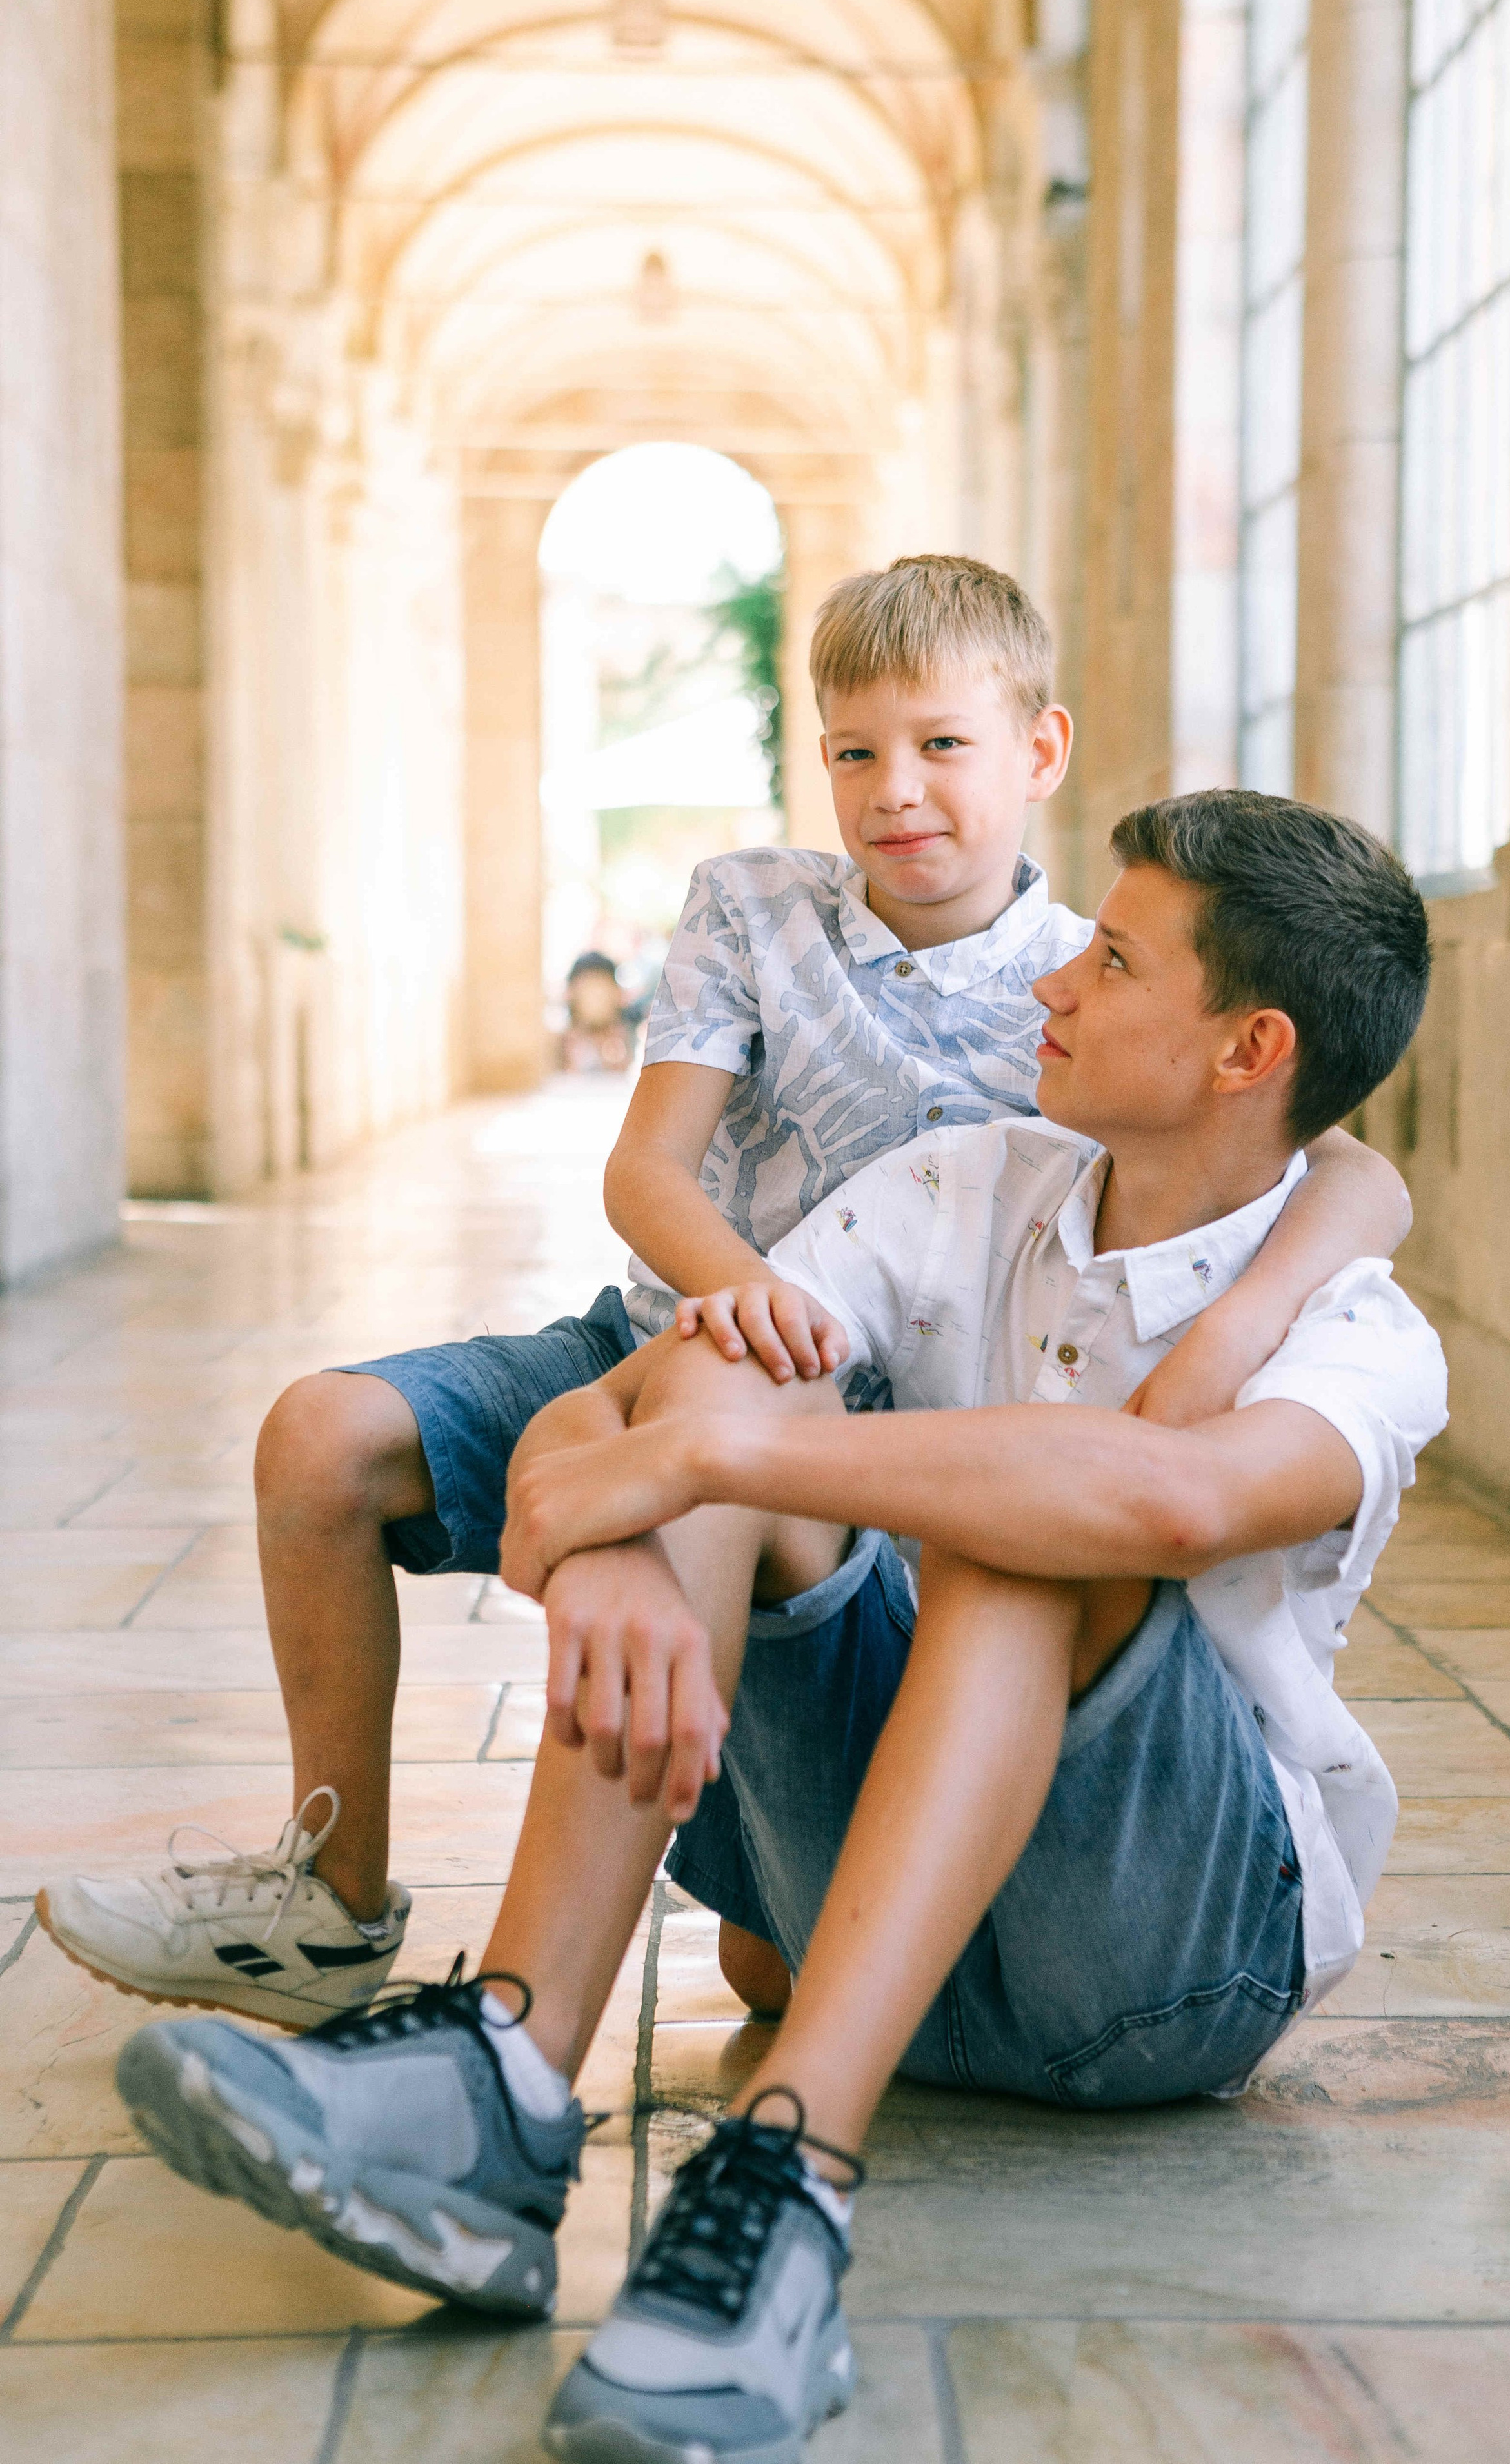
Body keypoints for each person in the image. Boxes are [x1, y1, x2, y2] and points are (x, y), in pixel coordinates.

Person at [112, 791, 1444, 2464]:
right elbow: (657, 1387)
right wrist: (632, 1536)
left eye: (1110, 962)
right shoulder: (968, 1180)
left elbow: (1171, 1502)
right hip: (872, 1922)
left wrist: (714, 1462)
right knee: (747, 1379)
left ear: (1251, 1051)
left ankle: (788, 2178)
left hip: (1161, 1972)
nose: (1052, 985)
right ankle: (503, 2079)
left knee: (1014, 1528)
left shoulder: (1361, 1334)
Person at [39, 555, 1405, 2036]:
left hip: (863, 1450)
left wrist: (1231, 1330)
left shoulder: (1094, 980)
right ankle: (335, 1899)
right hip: (672, 1346)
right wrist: (751, 1320)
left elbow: (1338, 1164)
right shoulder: (754, 909)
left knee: (766, 1962)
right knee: (321, 1438)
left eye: (942, 744)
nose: (895, 790)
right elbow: (646, 1172)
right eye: (853, 753)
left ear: (1039, 750)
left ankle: (713, 1933)